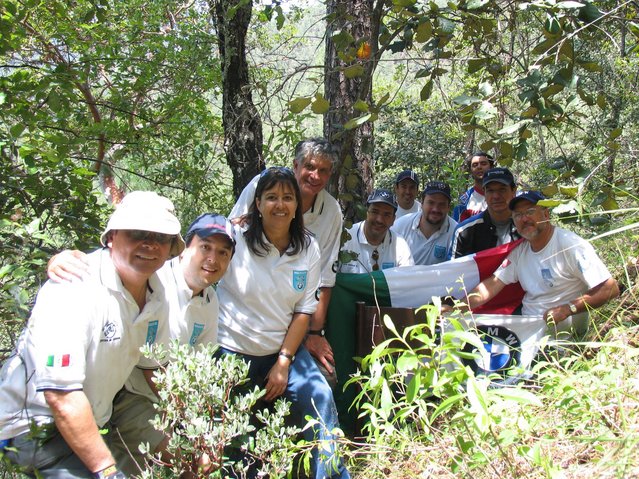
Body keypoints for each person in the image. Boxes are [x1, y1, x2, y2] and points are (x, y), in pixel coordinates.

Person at [0, 191, 183, 478]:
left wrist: (193, 424)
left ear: (171, 247)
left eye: (161, 237)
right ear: (112, 237)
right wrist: (107, 471)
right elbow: (60, 395)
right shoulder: (74, 287)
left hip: (93, 419)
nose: (150, 244)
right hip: (35, 425)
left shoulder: (158, 293)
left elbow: (155, 369)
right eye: (137, 233)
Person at [45, 214, 236, 476]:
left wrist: (199, 423)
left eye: (223, 253)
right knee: (192, 461)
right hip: (130, 396)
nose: (213, 259)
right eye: (205, 247)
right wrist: (61, 260)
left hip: (162, 402)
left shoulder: (209, 300)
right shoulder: (156, 280)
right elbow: (111, 269)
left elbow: (200, 370)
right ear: (182, 250)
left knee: (199, 460)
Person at [217, 167, 349, 479]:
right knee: (233, 434)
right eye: (272, 197)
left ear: (296, 206)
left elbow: (305, 309)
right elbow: (189, 259)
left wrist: (284, 360)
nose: (280, 204)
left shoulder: (308, 247)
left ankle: (329, 474)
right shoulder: (232, 237)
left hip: (282, 350)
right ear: (258, 203)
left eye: (287, 198)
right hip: (233, 350)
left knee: (319, 397)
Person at [229, 138, 343, 384]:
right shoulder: (260, 186)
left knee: (327, 377)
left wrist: (314, 333)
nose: (315, 176)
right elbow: (230, 241)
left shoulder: (331, 211)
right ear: (296, 165)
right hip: (245, 313)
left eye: (323, 170)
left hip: (294, 318)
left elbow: (325, 276)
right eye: (310, 167)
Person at [454, 191, 620, 336]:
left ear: (546, 215)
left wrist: (568, 309)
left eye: (530, 212)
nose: (524, 219)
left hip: (564, 342)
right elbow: (491, 285)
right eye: (518, 215)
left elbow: (610, 288)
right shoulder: (520, 252)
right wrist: (457, 308)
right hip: (527, 334)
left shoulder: (570, 245)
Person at [450, 167, 520, 258]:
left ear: (513, 191)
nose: (496, 196)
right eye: (490, 190)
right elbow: (455, 269)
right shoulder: (465, 231)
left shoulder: (525, 225)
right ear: (484, 193)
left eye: (502, 190)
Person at [339, 189, 413, 273]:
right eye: (375, 212)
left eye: (386, 215)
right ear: (366, 212)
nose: (379, 220)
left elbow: (408, 279)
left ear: (393, 220)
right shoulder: (346, 238)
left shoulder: (400, 245)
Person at [391, 181, 457, 265]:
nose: (435, 209)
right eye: (431, 203)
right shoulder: (400, 226)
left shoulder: (456, 233)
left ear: (448, 207)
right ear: (421, 203)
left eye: (442, 204)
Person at [452, 151, 495, 222]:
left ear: (491, 167)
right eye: (475, 165)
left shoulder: (504, 194)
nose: (479, 167)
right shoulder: (464, 201)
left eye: (483, 164)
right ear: (471, 171)